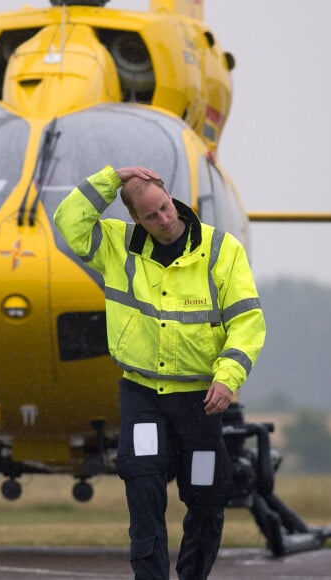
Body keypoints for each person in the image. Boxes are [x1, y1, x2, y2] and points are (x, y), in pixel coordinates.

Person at [54, 165, 266, 579]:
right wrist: (112, 178)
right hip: (143, 395)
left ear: (170, 197)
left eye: (165, 208)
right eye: (151, 216)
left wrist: (228, 377)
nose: (164, 220)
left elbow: (248, 323)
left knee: (207, 496)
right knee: (143, 485)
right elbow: (69, 219)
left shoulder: (223, 251)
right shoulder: (116, 245)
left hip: (200, 400)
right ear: (135, 218)